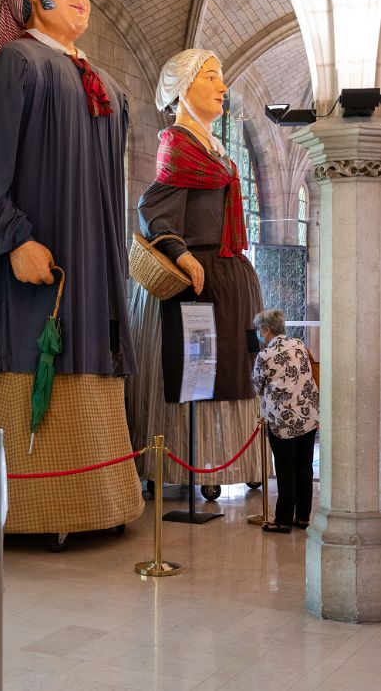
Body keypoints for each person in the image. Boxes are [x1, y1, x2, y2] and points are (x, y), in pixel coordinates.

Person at [0, 0, 144, 537]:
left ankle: (99, 504)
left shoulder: (108, 87)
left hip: (95, 271)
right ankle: (39, 512)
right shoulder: (19, 63)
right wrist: (12, 239)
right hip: (39, 271)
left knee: (92, 358)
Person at [128, 49, 263, 489]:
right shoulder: (178, 143)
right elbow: (153, 204)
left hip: (226, 275)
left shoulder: (215, 148)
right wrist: (180, 253)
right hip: (197, 278)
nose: (222, 87)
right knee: (195, 372)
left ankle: (220, 463)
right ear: (184, 89)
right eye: (210, 77)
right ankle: (183, 463)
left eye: (220, 78)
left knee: (231, 368)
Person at [252, 309, 319, 533]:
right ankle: (302, 517)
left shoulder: (264, 356)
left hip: (282, 422)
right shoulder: (299, 344)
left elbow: (256, 385)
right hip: (308, 416)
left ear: (267, 329)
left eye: (260, 329)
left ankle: (282, 520)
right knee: (304, 467)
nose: (259, 333)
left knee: (285, 469)